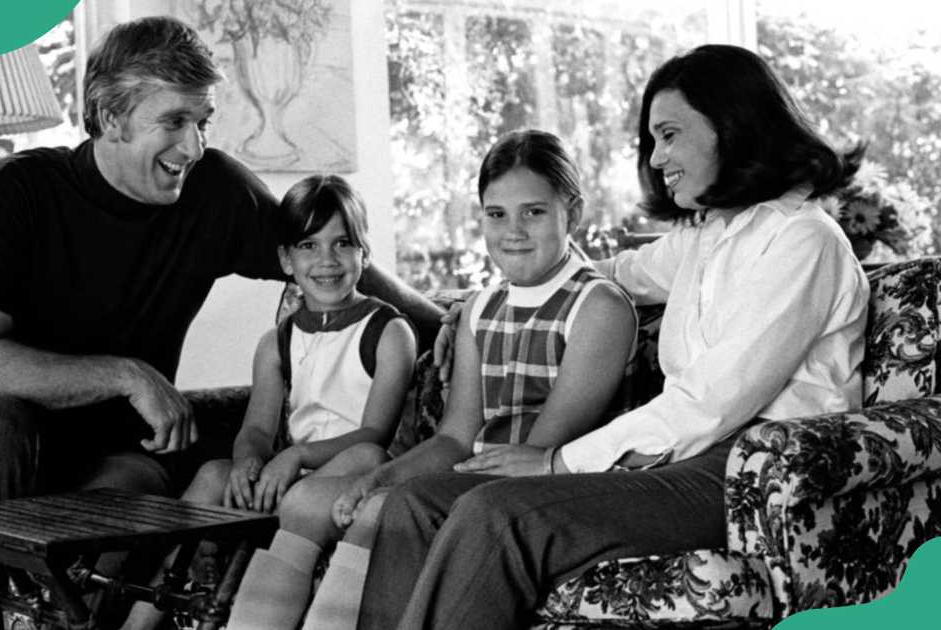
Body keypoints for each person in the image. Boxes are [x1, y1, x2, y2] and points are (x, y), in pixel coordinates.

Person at [0, 16, 442, 630]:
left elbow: (324, 257)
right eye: (173, 122)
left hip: (121, 457)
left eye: (202, 122)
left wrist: (453, 322)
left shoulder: (212, 188)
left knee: (142, 485)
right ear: (111, 116)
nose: (192, 147)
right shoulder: (21, 188)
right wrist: (128, 376)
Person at [359, 44, 870, 630]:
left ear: (731, 127)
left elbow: (710, 402)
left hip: (749, 472)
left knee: (497, 515)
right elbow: (608, 274)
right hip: (681, 459)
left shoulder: (803, 242)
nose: (657, 159)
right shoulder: (713, 234)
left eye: (670, 135)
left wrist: (558, 462)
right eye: (653, 140)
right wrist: (474, 305)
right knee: (413, 503)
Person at [224, 129, 637, 630]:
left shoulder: (597, 307)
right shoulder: (481, 308)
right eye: (496, 214)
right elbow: (456, 437)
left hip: (547, 486)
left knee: (390, 512)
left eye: (534, 212)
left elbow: (542, 450)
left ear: (573, 211)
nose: (514, 231)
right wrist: (377, 479)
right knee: (374, 500)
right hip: (481, 478)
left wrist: (395, 490)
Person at [120, 174, 417, 630]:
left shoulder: (388, 331)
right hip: (292, 471)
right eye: (308, 246)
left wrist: (295, 455)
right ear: (285, 259)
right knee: (211, 474)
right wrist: (248, 463)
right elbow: (256, 429)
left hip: (351, 469)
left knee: (367, 451)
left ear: (365, 253)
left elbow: (376, 432)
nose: (327, 261)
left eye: (343, 244)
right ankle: (140, 619)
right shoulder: (276, 342)